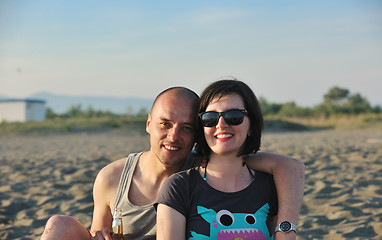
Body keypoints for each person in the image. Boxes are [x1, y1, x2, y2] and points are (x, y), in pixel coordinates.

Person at [41, 86, 304, 240]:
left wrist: (285, 229)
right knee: (59, 225)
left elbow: (289, 167)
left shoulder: (207, 166)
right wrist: (102, 235)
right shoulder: (112, 177)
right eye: (164, 124)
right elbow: (98, 231)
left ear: (198, 132)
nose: (173, 136)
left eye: (186, 128)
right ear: (148, 124)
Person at [155, 79, 300, 240]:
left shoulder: (270, 186)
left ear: (251, 125)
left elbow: (293, 167)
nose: (221, 124)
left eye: (233, 116)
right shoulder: (179, 187)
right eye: (210, 118)